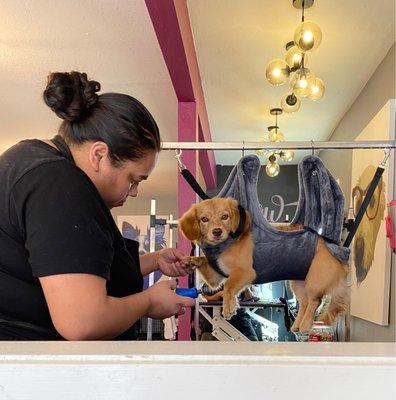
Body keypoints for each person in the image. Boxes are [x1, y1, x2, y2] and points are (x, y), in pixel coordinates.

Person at [0, 71, 195, 340]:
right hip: (32, 373)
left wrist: (154, 261)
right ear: (99, 154)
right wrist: (148, 301)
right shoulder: (58, 183)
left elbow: (70, 268)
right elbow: (82, 321)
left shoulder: (28, 160)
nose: (135, 192)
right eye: (133, 179)